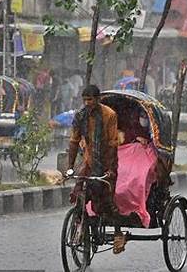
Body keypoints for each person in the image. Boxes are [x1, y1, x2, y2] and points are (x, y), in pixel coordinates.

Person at [67, 84, 126, 254]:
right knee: (79, 193)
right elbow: (73, 141)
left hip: (107, 162)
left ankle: (117, 233)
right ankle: (81, 226)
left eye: (90, 100)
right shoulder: (80, 116)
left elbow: (112, 144)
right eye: (84, 100)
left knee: (107, 200)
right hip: (88, 161)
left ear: (98, 99)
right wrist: (70, 167)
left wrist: (110, 170)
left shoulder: (109, 115)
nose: (87, 103)